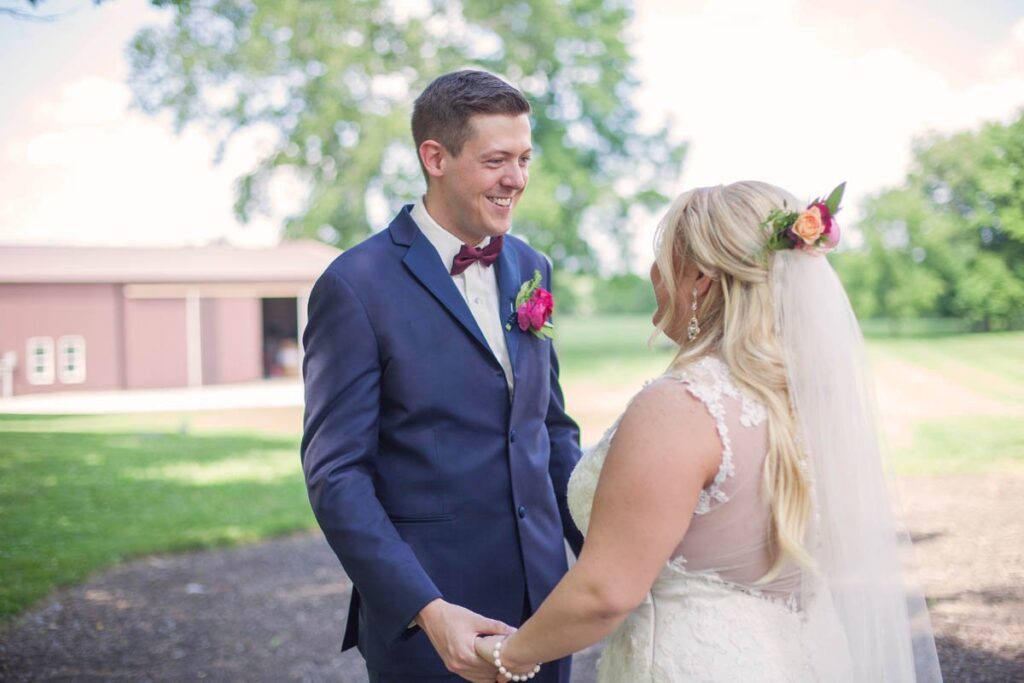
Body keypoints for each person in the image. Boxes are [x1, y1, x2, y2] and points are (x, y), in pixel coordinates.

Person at [475, 181, 944, 682]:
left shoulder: (679, 407)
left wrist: (508, 653)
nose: (652, 274)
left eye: (661, 259)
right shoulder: (811, 399)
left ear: (698, 279)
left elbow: (605, 593)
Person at [300, 70, 583, 683]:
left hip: (546, 614)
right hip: (434, 625)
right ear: (435, 157)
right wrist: (427, 611)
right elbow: (336, 475)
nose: (517, 179)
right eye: (496, 160)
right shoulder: (354, 286)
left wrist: (601, 559)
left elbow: (550, 432)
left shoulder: (533, 266)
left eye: (524, 158)